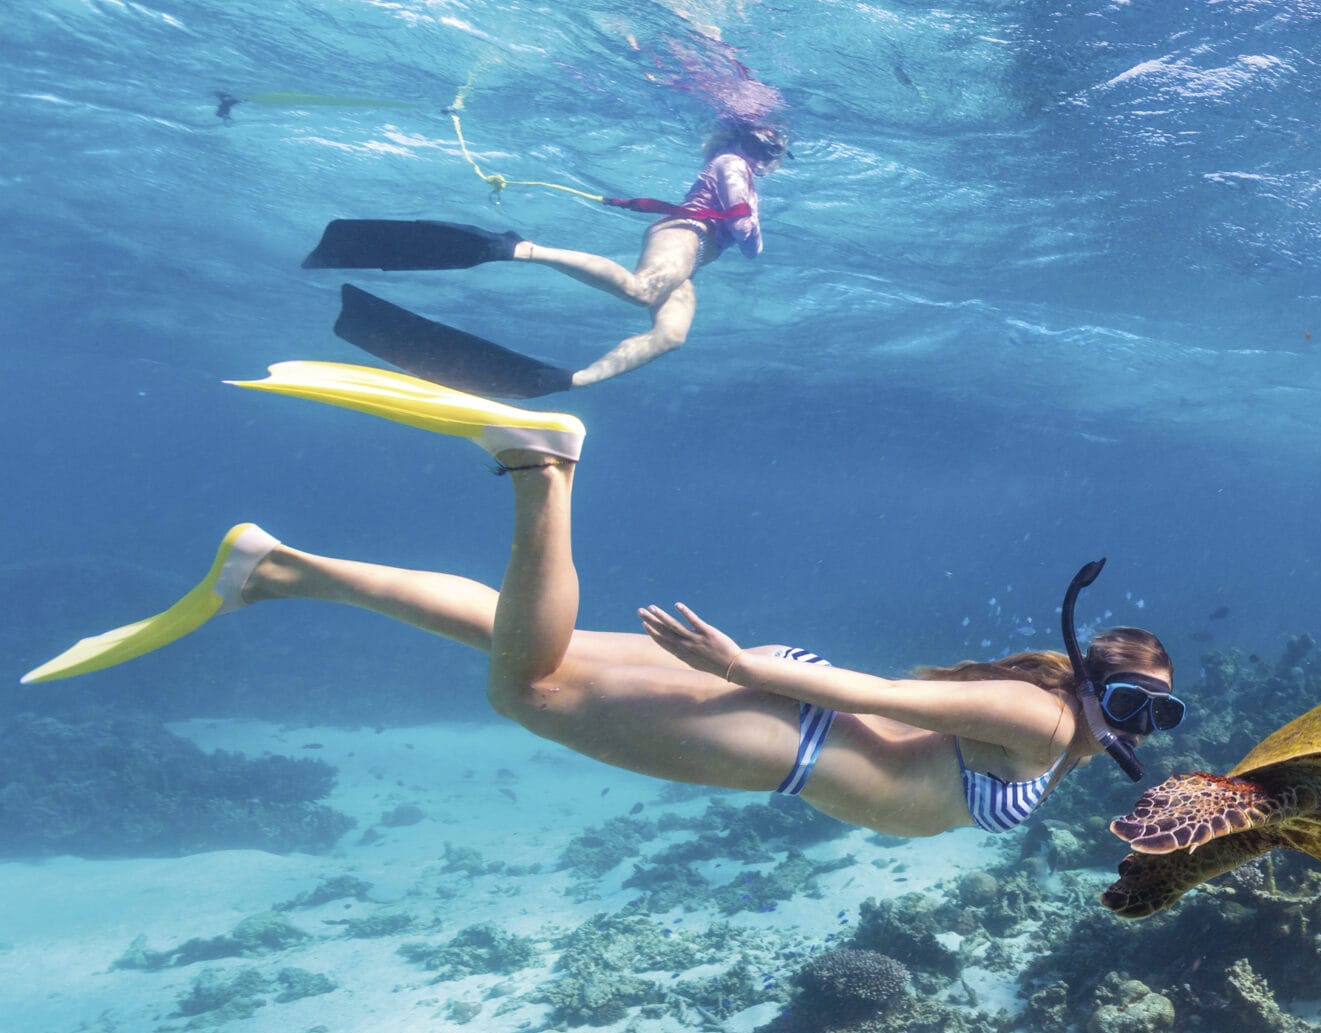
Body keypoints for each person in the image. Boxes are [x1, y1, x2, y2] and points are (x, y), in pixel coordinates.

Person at [19, 363, 1182, 838]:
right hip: (778, 726)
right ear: (1090, 680)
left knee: (518, 635)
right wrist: (744, 674)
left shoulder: (1048, 715)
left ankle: (277, 569)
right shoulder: (1043, 722)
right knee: (528, 692)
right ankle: (542, 467)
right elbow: (869, 691)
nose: (1132, 726)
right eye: (1131, 701)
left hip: (782, 708)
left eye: (1153, 718)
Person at [305, 122, 789, 394]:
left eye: (778, 152)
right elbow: (743, 225)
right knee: (640, 289)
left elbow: (744, 225)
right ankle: (520, 248)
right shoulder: (731, 164)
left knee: (671, 335)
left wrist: (745, 234)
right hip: (685, 234)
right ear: (748, 142)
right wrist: (750, 237)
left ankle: (574, 379)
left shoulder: (743, 168)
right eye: (770, 147)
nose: (773, 158)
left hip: (699, 253)